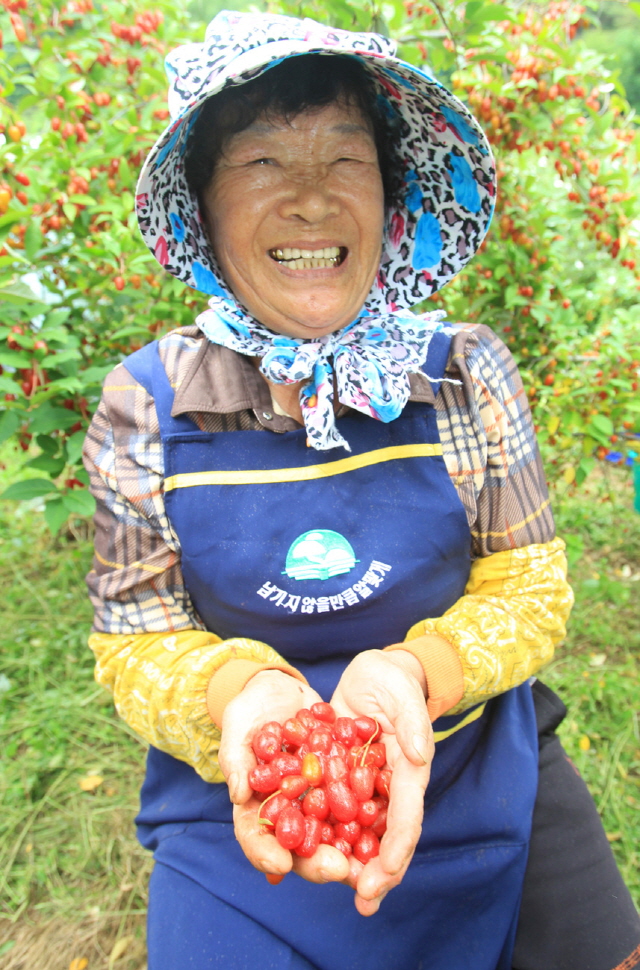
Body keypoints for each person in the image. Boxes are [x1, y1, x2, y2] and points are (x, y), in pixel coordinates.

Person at [83, 11, 640, 970]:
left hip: (477, 769)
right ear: (202, 217)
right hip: (244, 799)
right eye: (260, 162)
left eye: (345, 159)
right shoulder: (150, 401)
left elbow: (532, 587)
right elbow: (138, 642)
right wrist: (242, 693)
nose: (310, 200)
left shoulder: (464, 370)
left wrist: (415, 676)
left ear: (391, 198)